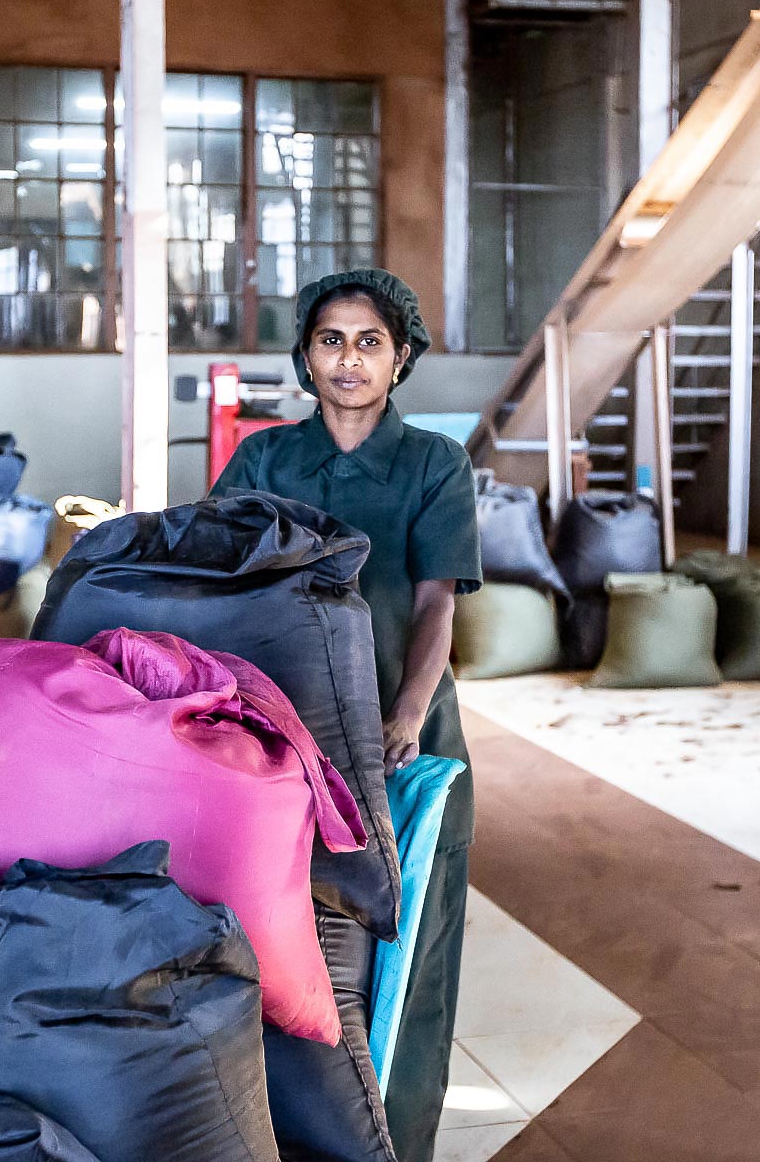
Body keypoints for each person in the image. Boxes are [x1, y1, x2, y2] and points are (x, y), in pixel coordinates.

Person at [211, 268, 480, 1162]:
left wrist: (406, 714)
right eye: (331, 340)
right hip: (283, 743)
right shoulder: (264, 463)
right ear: (306, 357)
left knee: (409, 953)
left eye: (370, 342)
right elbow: (219, 580)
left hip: (405, 741)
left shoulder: (434, 465)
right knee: (276, 947)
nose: (349, 359)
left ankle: (399, 1143)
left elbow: (436, 603)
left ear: (401, 359)